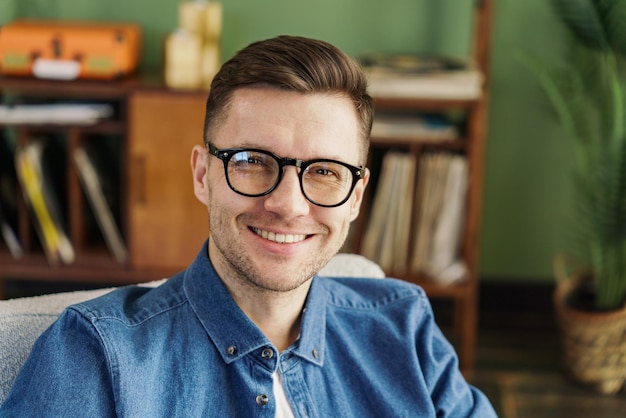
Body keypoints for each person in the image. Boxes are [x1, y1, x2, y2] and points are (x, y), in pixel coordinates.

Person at [0, 35, 497, 417]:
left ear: (356, 197)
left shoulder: (405, 326)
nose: (287, 204)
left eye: (324, 172)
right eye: (252, 161)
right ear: (203, 174)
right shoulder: (94, 353)